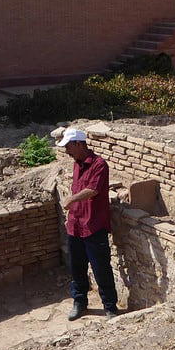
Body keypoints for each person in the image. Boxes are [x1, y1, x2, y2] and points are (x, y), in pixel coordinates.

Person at [58, 127, 120, 321]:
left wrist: (72, 199)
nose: (67, 151)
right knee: (77, 268)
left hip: (93, 226)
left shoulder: (99, 164)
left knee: (101, 268)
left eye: (69, 146)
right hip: (75, 225)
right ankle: (80, 302)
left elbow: (93, 189)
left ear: (79, 144)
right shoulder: (77, 163)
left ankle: (110, 307)